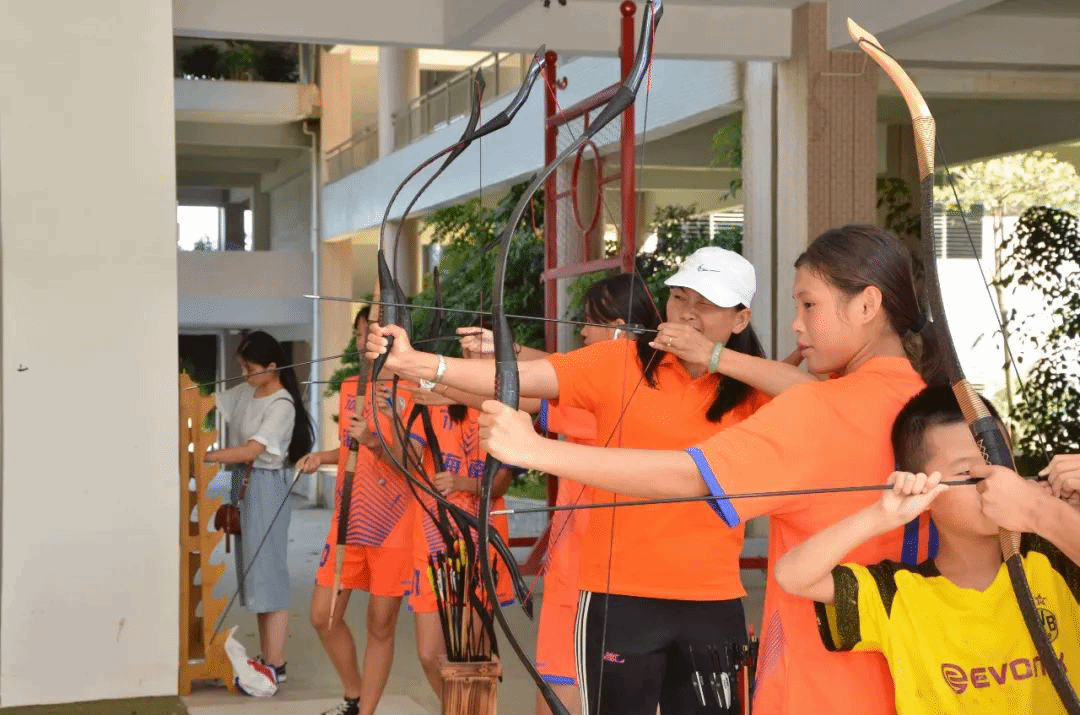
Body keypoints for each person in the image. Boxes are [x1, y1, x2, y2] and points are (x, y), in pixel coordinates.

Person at [472, 226, 942, 715]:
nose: (797, 325)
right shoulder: (939, 406)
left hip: (816, 681)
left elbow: (693, 476)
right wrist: (432, 368)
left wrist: (534, 451)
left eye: (809, 305)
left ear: (867, 305)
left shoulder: (816, 407)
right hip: (912, 678)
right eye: (679, 297)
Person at [369, 248, 776, 715]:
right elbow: (525, 379)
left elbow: (816, 398)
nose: (687, 312)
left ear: (740, 319)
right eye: (680, 297)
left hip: (712, 596)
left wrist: (718, 358)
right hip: (618, 595)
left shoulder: (756, 392)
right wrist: (418, 364)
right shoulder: (619, 363)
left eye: (705, 303)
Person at [774, 386, 1080, 715]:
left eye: (1001, 462)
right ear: (924, 490)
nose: (995, 481)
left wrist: (1053, 515)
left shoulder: (1058, 556)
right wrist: (881, 515)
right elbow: (792, 576)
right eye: (968, 473)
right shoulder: (898, 594)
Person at [296, 312, 415, 715]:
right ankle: (354, 693)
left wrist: (378, 441)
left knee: (380, 624)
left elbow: (414, 462)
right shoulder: (352, 386)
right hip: (348, 518)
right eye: (360, 333)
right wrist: (322, 457)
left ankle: (365, 711)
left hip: (394, 522)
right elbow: (352, 448)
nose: (364, 341)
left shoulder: (414, 388)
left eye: (372, 333)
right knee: (323, 615)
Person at [205, 330, 315, 685]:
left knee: (268, 576)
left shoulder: (282, 404)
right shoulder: (247, 391)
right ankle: (267, 659)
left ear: (271, 366)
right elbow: (208, 400)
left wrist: (209, 456)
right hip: (244, 483)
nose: (244, 373)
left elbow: (254, 450)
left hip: (266, 486)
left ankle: (276, 664)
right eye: (242, 366)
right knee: (254, 576)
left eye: (250, 367)